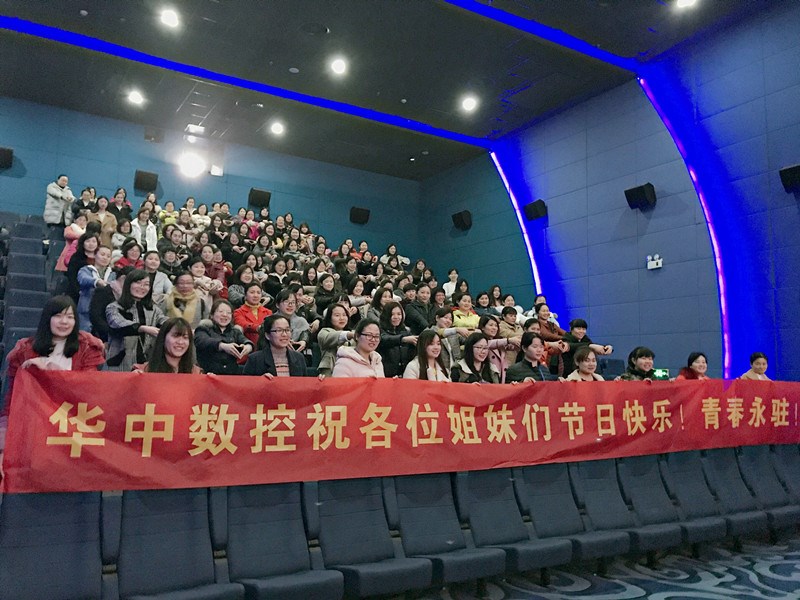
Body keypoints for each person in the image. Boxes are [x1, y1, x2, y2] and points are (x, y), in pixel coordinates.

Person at [2, 296, 105, 415]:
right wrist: (6, 420)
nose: (64, 321)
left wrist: (52, 370)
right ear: (47, 319)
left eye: (70, 317)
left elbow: (88, 388)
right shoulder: (25, 351)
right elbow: (14, 394)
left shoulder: (87, 349)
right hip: (35, 416)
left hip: (73, 416)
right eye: (58, 316)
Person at [105, 269, 167, 371]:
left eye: (146, 284)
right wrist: (142, 328)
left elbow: (164, 320)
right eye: (138, 283)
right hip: (119, 364)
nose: (142, 287)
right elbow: (118, 323)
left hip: (145, 363)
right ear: (128, 284)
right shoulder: (114, 307)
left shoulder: (153, 309)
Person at [194, 299, 253, 375]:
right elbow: (202, 341)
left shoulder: (235, 331)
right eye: (221, 311)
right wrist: (222, 346)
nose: (225, 315)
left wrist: (248, 347)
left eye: (228, 313)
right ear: (212, 315)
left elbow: (245, 341)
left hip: (230, 375)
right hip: (207, 374)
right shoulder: (203, 328)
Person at [242, 314, 307, 378]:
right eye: (279, 330)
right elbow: (245, 383)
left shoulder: (299, 358)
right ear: (267, 335)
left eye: (287, 330)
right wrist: (259, 381)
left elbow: (305, 383)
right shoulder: (255, 359)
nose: (284, 334)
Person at [77, 245, 113, 331]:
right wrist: (97, 281)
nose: (105, 258)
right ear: (95, 255)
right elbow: (83, 279)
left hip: (106, 313)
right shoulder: (85, 270)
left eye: (108, 256)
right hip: (86, 312)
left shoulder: (113, 273)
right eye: (102, 254)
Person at [378, 301, 417, 378]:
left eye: (399, 314)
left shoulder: (406, 331)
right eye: (392, 314)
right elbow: (384, 339)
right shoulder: (379, 330)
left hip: (404, 375)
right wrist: (402, 339)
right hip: (387, 375)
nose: (396, 317)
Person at [316, 303, 355, 377]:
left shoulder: (354, 334)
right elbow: (332, 337)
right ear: (329, 318)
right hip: (330, 374)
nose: (342, 318)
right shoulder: (324, 332)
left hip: (351, 373)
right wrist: (349, 335)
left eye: (344, 315)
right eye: (337, 315)